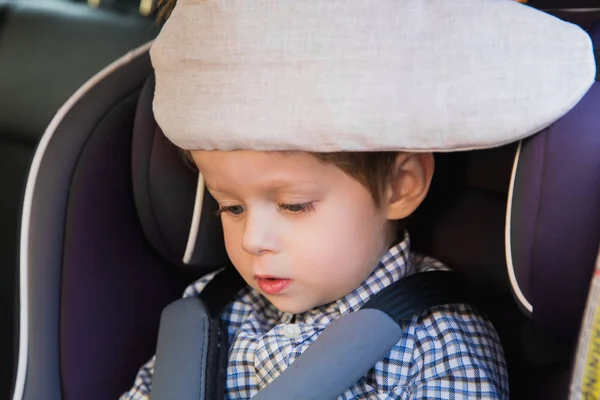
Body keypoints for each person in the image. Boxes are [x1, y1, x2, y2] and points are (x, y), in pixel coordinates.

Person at [120, 0, 594, 398]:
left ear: (400, 186)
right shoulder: (213, 312)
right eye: (231, 207)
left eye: (293, 205)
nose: (253, 240)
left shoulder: (436, 341)